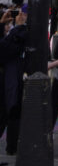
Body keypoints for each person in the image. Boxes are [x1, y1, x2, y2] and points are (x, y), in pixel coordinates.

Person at [0, 8, 27, 155]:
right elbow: (6, 48)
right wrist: (19, 27)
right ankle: (12, 147)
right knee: (11, 112)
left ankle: (12, 147)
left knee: (10, 113)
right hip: (7, 84)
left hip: (8, 82)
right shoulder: (10, 39)